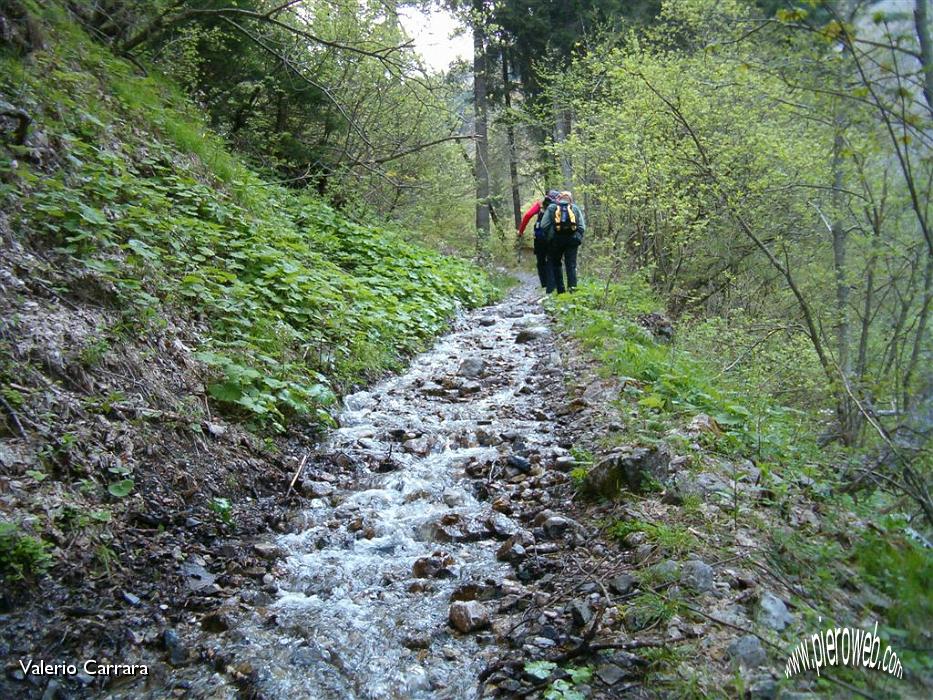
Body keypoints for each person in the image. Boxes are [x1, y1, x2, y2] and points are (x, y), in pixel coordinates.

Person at [538, 190, 585, 294]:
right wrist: (577, 236)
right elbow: (582, 226)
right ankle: (572, 291)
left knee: (556, 264)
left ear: (559, 198)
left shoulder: (552, 208)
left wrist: (551, 235)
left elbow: (543, 225)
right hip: (572, 240)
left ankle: (560, 291)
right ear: (570, 199)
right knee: (571, 265)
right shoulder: (575, 208)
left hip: (556, 241)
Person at [517, 190, 561, 289]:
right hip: (554, 237)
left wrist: (520, 231)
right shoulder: (558, 206)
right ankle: (551, 285)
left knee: (540, 260)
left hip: (540, 237)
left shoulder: (540, 204)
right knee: (551, 259)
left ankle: (544, 284)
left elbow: (527, 215)